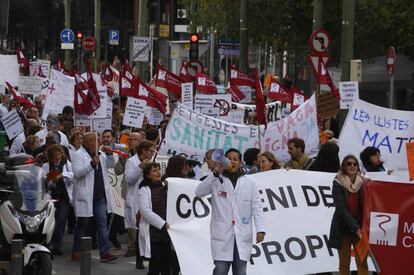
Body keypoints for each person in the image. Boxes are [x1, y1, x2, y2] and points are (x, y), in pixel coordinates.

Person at [196, 148, 265, 275]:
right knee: (220, 270)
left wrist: (260, 229)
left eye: (235, 159)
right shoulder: (215, 179)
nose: (232, 162)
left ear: (240, 162)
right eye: (229, 159)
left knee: (240, 272)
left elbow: (257, 207)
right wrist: (215, 173)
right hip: (222, 235)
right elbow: (199, 192)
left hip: (242, 233)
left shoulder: (250, 182)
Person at [71, 132, 117, 262]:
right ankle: (76, 250)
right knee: (82, 224)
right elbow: (78, 173)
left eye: (95, 140)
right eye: (91, 140)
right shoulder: (78, 155)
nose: (94, 142)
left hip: (100, 195)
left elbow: (111, 165)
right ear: (84, 142)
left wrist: (108, 154)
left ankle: (105, 252)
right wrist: (91, 164)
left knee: (102, 223)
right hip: (85, 196)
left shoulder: (100, 154)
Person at [328, 155, 368, 275]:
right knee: (344, 264)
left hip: (361, 228)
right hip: (343, 229)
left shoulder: (364, 182)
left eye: (355, 164)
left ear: (358, 166)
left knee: (363, 263)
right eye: (349, 163)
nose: (352, 166)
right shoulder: (337, 182)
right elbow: (341, 209)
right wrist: (355, 228)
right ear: (344, 166)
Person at [124, 141, 156, 262]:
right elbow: (129, 179)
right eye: (150, 151)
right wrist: (139, 168)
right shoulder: (132, 161)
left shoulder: (152, 161)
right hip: (135, 197)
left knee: (147, 228)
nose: (152, 153)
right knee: (137, 229)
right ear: (143, 151)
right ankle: (138, 257)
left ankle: (146, 254)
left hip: (148, 197)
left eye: (153, 151)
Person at [137, 162, 171, 275]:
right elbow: (145, 212)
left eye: (158, 170)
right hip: (153, 232)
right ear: (148, 175)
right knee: (155, 264)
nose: (158, 172)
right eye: (154, 171)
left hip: (166, 232)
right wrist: (162, 223)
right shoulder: (144, 189)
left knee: (166, 264)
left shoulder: (165, 186)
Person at [42, 144, 74, 255]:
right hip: (50, 197)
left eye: (59, 154)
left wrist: (63, 175)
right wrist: (50, 180)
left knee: (61, 221)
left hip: (63, 197)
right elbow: (42, 181)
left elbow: (74, 175)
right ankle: (47, 243)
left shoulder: (67, 164)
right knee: (49, 221)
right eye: (55, 155)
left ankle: (57, 246)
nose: (57, 157)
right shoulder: (46, 166)